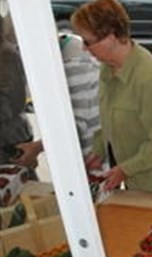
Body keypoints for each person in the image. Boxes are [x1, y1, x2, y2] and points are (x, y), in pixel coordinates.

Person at [71, 0, 152, 195]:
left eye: (87, 42)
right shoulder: (107, 68)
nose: (84, 49)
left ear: (110, 37)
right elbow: (109, 121)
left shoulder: (150, 79)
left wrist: (124, 170)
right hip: (133, 180)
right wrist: (98, 151)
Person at [13, 34, 101, 168]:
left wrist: (36, 148)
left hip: (91, 164)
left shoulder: (73, 71)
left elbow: (75, 127)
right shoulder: (67, 53)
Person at [0, 15, 36, 178]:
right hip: (10, 135)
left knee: (20, 188)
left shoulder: (6, 57)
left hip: (9, 139)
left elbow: (9, 103)